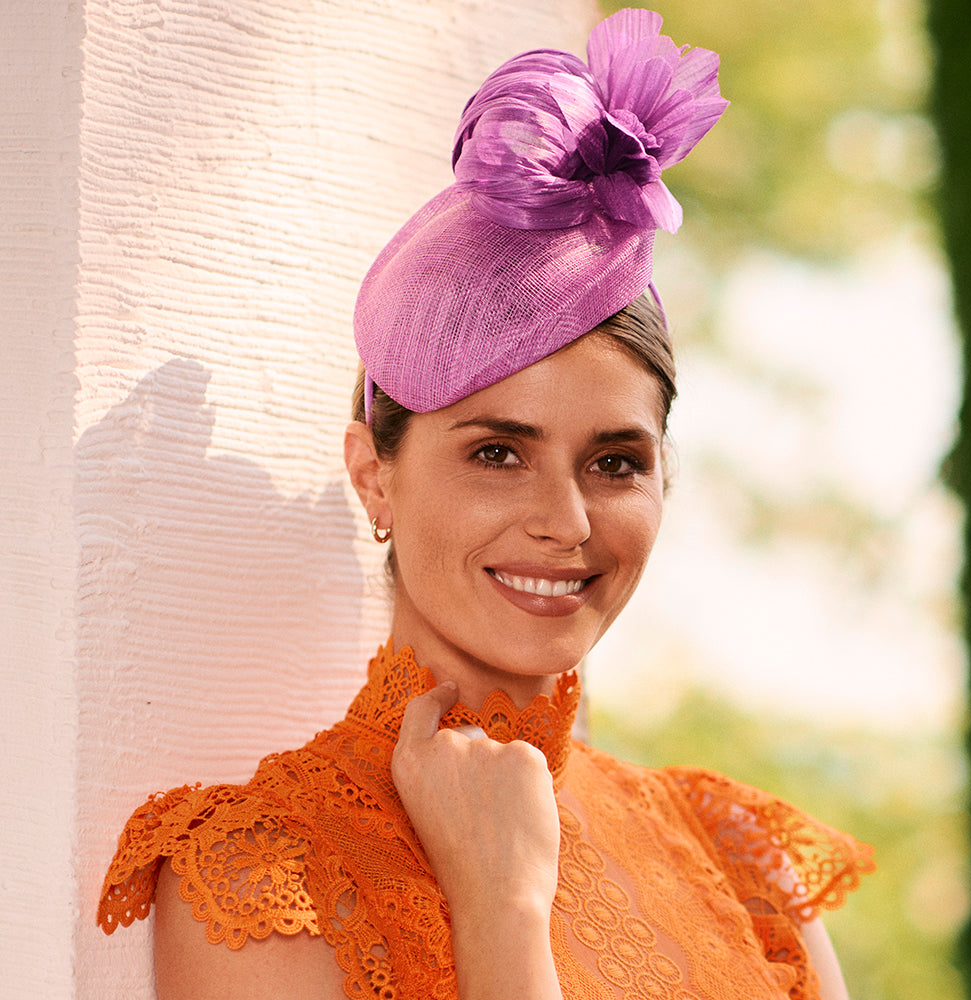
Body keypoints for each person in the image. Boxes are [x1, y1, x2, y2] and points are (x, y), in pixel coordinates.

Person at [98, 10, 874, 999]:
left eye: (615, 462)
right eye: (498, 452)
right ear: (374, 473)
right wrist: (501, 903)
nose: (568, 521)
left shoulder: (741, 861)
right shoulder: (268, 870)